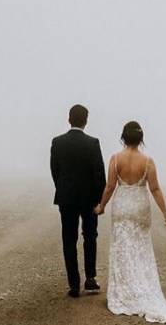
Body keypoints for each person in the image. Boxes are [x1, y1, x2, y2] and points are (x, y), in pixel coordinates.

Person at [95, 121, 166, 323]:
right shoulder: (147, 161)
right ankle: (142, 288)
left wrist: (101, 206)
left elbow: (110, 186)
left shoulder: (115, 159)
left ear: (123, 137)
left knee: (122, 247)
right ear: (140, 139)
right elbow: (154, 189)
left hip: (122, 207)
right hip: (139, 207)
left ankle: (124, 291)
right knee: (141, 248)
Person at [50, 104, 107, 298]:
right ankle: (90, 279)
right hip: (89, 199)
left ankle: (73, 284)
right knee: (90, 236)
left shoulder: (57, 142)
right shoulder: (93, 143)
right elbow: (99, 174)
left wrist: (63, 189)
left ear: (69, 119)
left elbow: (55, 171)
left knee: (69, 239)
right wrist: (100, 201)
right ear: (86, 121)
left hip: (66, 198)